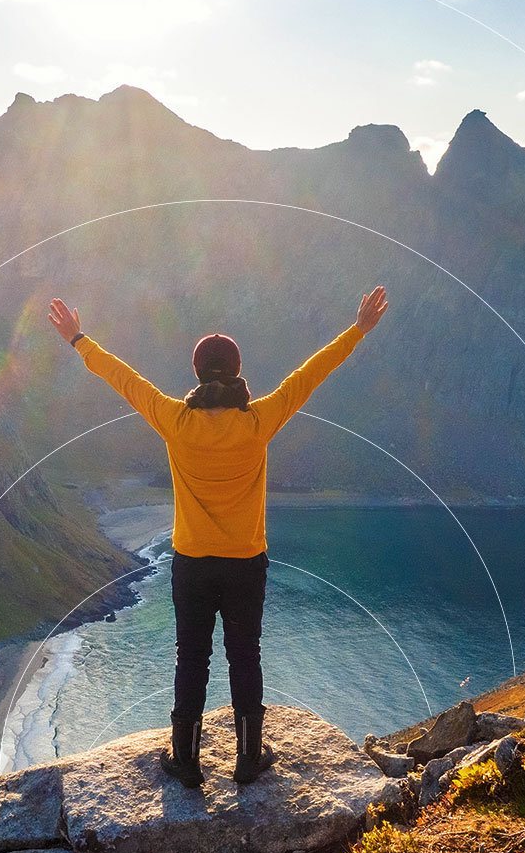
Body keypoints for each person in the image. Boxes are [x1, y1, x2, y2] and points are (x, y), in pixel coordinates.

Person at [47, 286, 389, 787]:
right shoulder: (258, 422)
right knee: (244, 655)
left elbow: (123, 379)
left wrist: (78, 339)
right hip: (246, 563)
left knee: (192, 657)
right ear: (237, 370)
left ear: (196, 373)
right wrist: (357, 330)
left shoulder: (175, 421)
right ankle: (249, 758)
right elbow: (309, 376)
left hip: (192, 562)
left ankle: (185, 760)